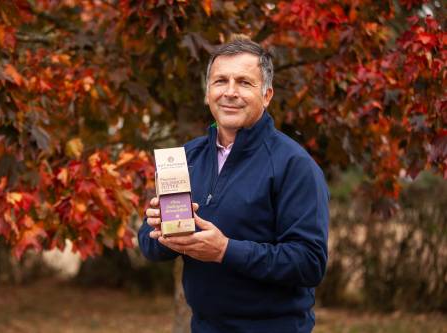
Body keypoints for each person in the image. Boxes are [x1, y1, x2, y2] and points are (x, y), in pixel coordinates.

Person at [138, 35, 329, 333]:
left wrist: (226, 250)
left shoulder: (295, 165)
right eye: (220, 81)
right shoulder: (186, 157)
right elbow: (149, 247)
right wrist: (159, 233)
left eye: (244, 82)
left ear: (266, 95)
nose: (230, 92)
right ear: (207, 93)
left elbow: (310, 262)